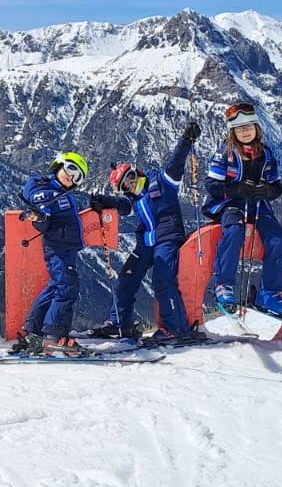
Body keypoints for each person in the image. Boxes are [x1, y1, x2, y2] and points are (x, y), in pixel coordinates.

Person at [86, 119, 205, 345]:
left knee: (163, 279)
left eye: (129, 179)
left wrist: (186, 140)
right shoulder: (132, 198)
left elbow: (176, 163)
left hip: (167, 239)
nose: (129, 185)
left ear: (136, 172)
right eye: (124, 186)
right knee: (127, 278)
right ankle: (120, 322)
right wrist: (103, 201)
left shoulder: (161, 182)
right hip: (145, 244)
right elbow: (122, 205)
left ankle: (176, 328)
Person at [202, 102, 282, 321]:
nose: (245, 131)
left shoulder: (265, 154)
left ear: (256, 127)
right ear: (233, 132)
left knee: (278, 241)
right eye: (239, 128)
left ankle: (269, 292)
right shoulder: (225, 154)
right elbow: (212, 184)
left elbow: (275, 186)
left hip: (258, 205)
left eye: (249, 126)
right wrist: (233, 189)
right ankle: (224, 284)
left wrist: (268, 191)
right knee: (234, 232)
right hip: (231, 204)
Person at [12, 150, 98, 356]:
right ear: (58, 165)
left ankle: (33, 331)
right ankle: (54, 336)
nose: (72, 177)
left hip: (65, 248)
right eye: (70, 169)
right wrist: (39, 216)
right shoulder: (48, 193)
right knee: (68, 288)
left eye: (78, 177)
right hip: (58, 248)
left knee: (56, 287)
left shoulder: (60, 193)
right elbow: (43, 220)